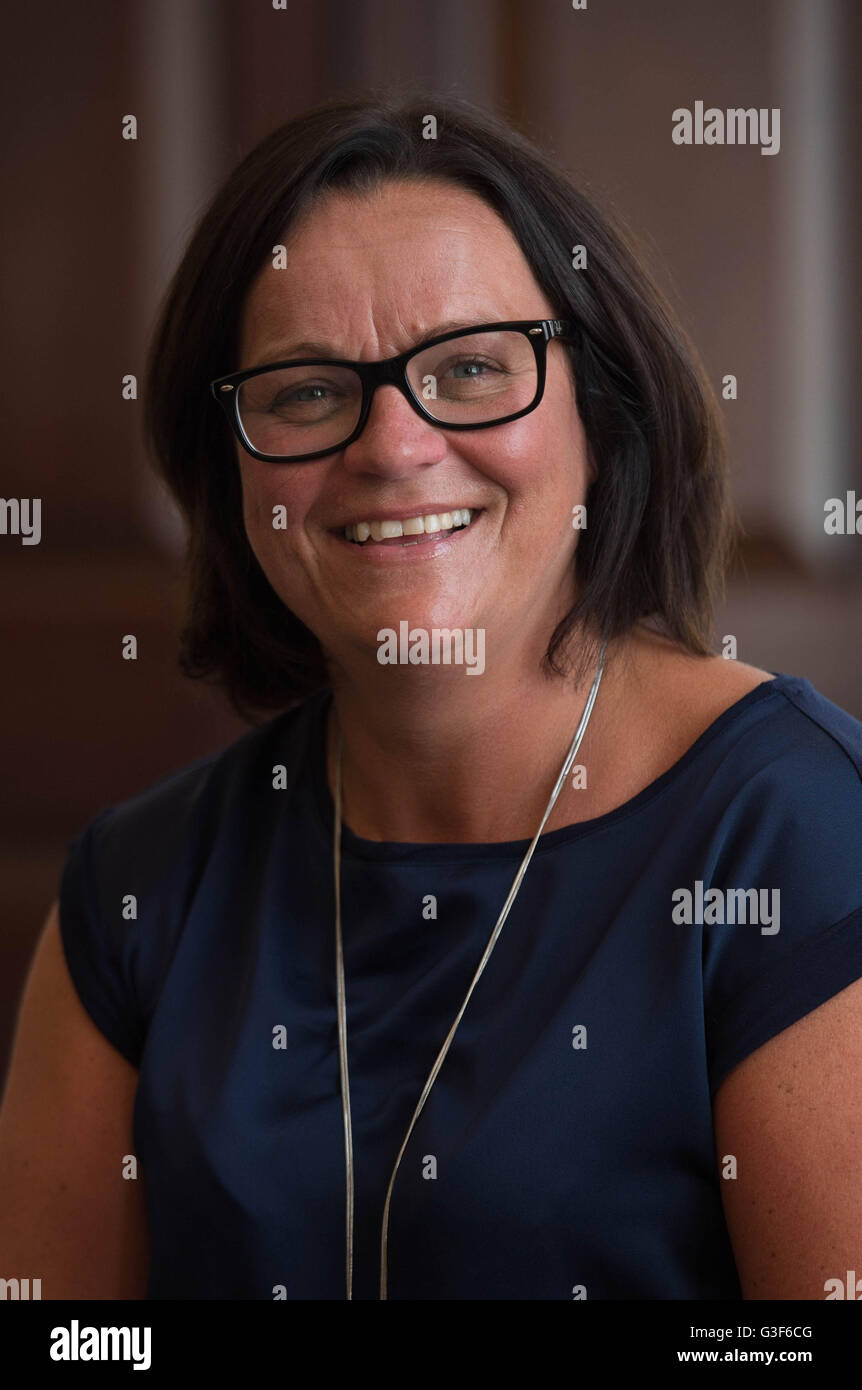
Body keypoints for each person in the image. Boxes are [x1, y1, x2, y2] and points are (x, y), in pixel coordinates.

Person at [1, 93, 861, 1302]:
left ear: (599, 413)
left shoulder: (804, 834)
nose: (394, 446)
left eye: (468, 368)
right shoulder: (137, 890)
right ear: (233, 472)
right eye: (304, 391)